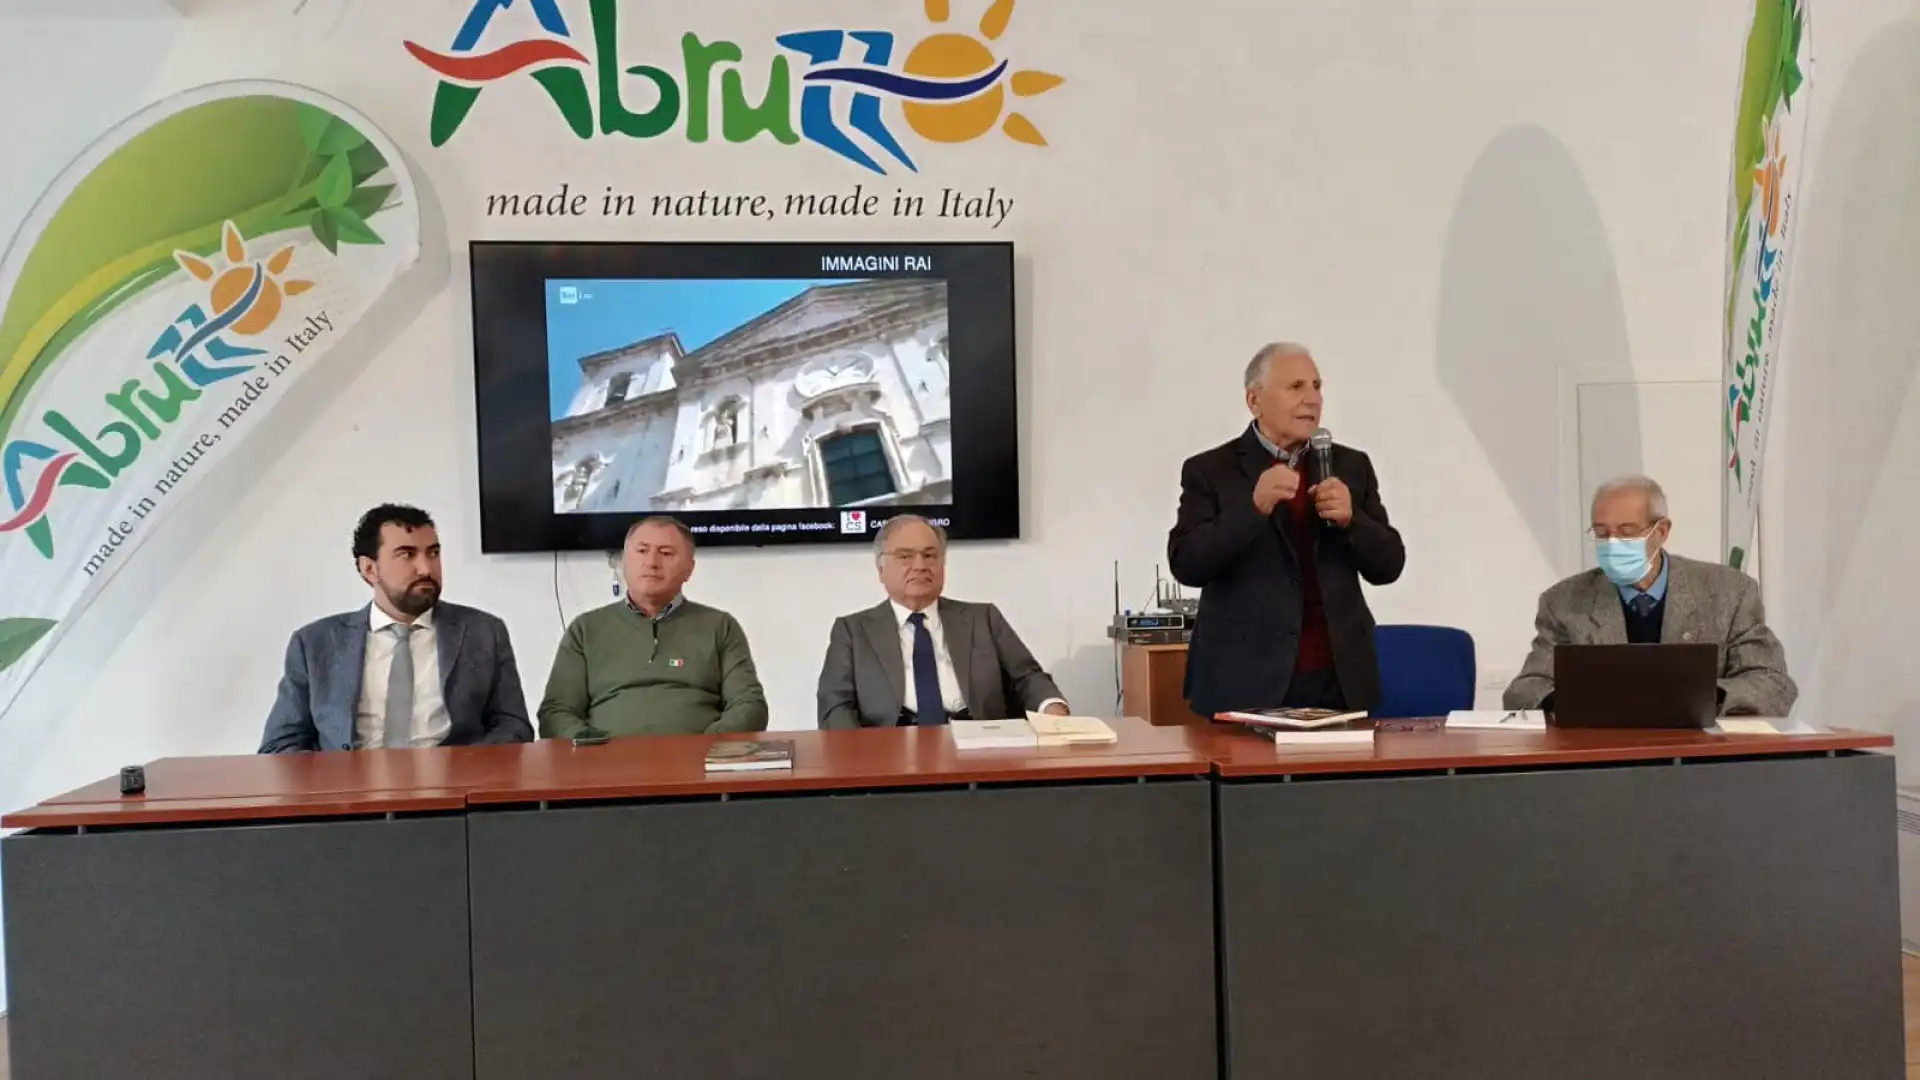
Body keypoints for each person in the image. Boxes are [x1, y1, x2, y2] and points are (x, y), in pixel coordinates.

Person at [1167, 342, 1405, 716]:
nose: (1312, 398)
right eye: (1296, 387)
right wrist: (1252, 508)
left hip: (1338, 680)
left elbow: (1390, 565)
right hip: (1244, 683)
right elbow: (1187, 564)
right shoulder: (1211, 470)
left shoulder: (1350, 465)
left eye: (1316, 385)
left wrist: (1352, 520)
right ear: (1254, 400)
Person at [1504, 475, 1796, 716]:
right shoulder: (1564, 602)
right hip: (1602, 758)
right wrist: (1578, 703)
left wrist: (1707, 697)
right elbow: (1525, 690)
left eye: (1627, 531)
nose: (1613, 543)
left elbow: (1773, 684)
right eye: (1602, 533)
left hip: (1701, 760)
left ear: (1662, 531)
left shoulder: (1729, 592)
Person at [259, 504, 533, 753]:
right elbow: (281, 744)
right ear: (369, 569)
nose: (426, 568)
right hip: (350, 797)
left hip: (452, 794)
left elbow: (514, 727)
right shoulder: (315, 643)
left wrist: (459, 767)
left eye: (433, 553)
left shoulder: (483, 632)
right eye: (406, 555)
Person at [818, 514, 1069, 727]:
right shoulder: (852, 631)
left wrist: (1051, 707)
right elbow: (835, 705)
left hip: (978, 749)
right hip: (890, 753)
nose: (920, 565)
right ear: (881, 569)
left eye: (930, 555)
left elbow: (1027, 677)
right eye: (905, 556)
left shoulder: (984, 619)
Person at [540, 515, 767, 737]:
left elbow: (749, 705)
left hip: (697, 765)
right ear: (624, 562)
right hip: (607, 767)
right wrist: (592, 749)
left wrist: (706, 746)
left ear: (689, 569)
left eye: (666, 553)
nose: (652, 562)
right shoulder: (586, 629)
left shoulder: (720, 626)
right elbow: (556, 713)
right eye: (641, 551)